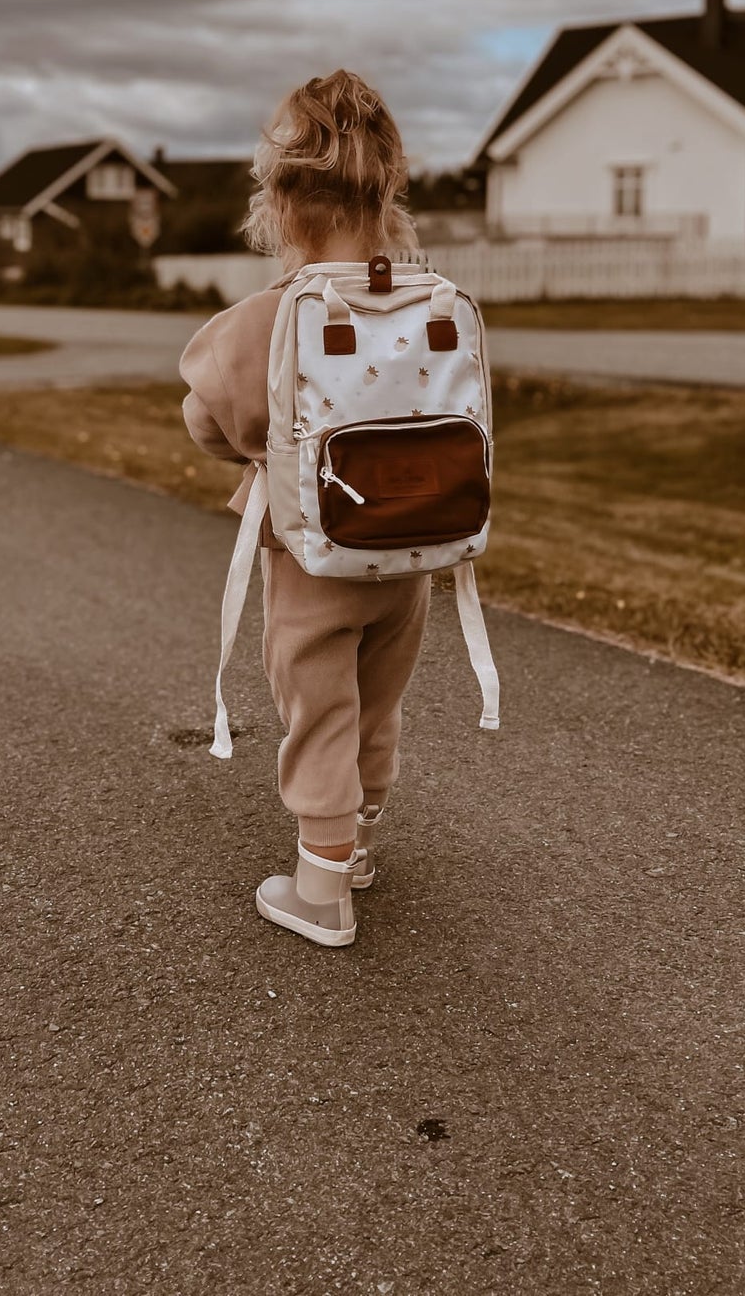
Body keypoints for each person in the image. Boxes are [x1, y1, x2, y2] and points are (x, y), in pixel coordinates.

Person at [179, 69, 430, 948]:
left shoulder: (265, 319)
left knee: (319, 705)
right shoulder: (423, 300)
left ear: (279, 203)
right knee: (374, 698)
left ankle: (321, 890)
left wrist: (251, 449)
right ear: (387, 188)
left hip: (316, 554)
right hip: (412, 551)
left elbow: (203, 418)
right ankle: (354, 843)